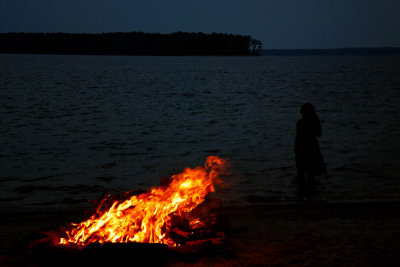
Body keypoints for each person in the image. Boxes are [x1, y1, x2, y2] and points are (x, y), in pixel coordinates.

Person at [294, 103, 326, 196]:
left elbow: (298, 137)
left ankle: (303, 193)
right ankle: (310, 193)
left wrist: (295, 148)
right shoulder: (313, 122)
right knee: (309, 173)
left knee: (302, 172)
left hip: (304, 148)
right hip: (310, 148)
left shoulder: (300, 122)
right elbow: (319, 134)